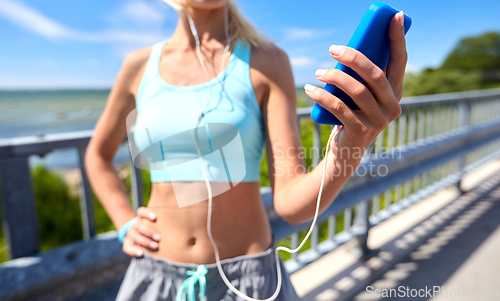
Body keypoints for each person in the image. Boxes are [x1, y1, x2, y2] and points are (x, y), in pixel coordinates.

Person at [84, 0, 408, 300]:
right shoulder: (139, 66)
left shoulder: (267, 60)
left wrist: (351, 143)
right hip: (155, 275)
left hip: (247, 282)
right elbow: (98, 155)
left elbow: (291, 205)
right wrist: (124, 221)